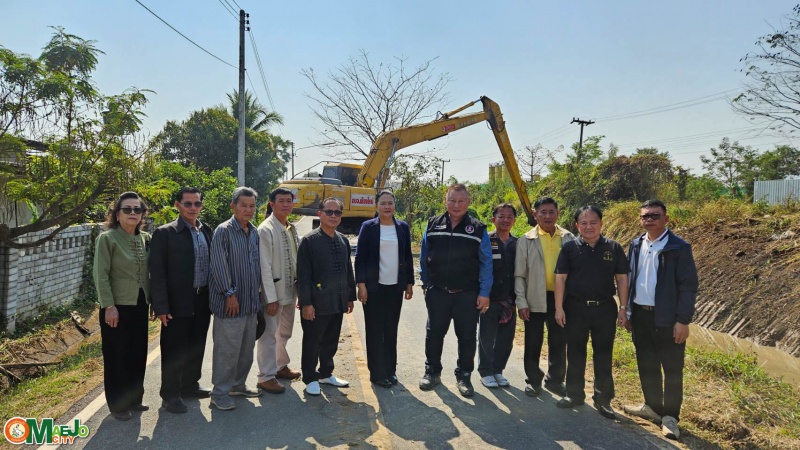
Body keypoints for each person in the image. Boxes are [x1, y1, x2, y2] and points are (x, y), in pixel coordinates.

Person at [623, 200, 698, 440]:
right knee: (647, 364)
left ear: (666, 219)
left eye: (655, 215)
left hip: (668, 318)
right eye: (645, 216)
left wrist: (683, 321)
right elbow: (630, 279)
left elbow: (688, 287)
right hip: (641, 315)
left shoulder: (678, 247)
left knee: (672, 369)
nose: (649, 220)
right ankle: (653, 407)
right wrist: (627, 312)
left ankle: (670, 417)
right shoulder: (636, 244)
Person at [554, 205, 629, 419]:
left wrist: (623, 308)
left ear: (601, 223)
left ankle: (603, 399)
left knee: (603, 354)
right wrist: (559, 308)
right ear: (577, 226)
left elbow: (622, 278)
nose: (589, 227)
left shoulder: (613, 247)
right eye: (584, 223)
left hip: (605, 309)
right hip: (575, 308)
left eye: (593, 222)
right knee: (575, 352)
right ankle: (574, 394)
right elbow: (560, 279)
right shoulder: (569, 248)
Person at [419, 183, 492, 398]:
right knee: (434, 333)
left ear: (469, 202)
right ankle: (432, 372)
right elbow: (424, 255)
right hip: (438, 292)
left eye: (461, 201)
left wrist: (484, 292)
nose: (456, 205)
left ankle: (464, 376)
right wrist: (426, 283)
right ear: (445, 201)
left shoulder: (478, 229)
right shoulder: (433, 225)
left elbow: (486, 262)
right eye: (452, 200)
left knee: (467, 337)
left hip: (467, 294)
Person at [149, 187, 213, 414]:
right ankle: (170, 394)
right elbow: (157, 272)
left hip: (202, 299)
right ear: (177, 205)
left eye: (197, 203)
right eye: (188, 204)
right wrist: (161, 306)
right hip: (177, 303)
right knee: (174, 349)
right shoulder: (165, 233)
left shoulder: (206, 230)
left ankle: (189, 385)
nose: (193, 208)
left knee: (197, 345)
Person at [93, 192, 151, 421]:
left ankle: (135, 398)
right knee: (117, 354)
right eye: (127, 209)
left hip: (140, 303)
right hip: (116, 306)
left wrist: (154, 301)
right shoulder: (107, 239)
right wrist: (108, 306)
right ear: (117, 214)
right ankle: (118, 405)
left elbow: (151, 273)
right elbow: (101, 274)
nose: (133, 213)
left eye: (138, 209)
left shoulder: (145, 238)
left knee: (138, 352)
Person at [208, 187, 263, 411]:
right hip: (230, 302)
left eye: (252, 206)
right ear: (233, 206)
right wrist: (229, 294)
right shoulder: (224, 230)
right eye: (243, 205)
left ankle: (237, 385)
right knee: (227, 351)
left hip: (250, 303)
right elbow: (218, 265)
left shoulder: (254, 231)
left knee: (245, 349)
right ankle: (219, 393)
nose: (248, 210)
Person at [514, 197, 575, 397]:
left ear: (558, 213)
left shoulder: (569, 238)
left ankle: (555, 380)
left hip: (561, 300)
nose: (547, 216)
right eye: (543, 212)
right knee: (533, 341)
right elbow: (519, 275)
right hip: (534, 297)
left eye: (551, 212)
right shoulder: (526, 240)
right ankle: (533, 380)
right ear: (535, 214)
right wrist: (521, 302)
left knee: (559, 341)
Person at [354, 191, 414, 388]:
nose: (387, 207)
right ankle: (377, 373)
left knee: (390, 329)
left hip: (395, 287)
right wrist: (361, 285)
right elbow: (360, 258)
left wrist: (409, 283)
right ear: (376, 206)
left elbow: (407, 256)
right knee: (374, 330)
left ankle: (390, 370)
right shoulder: (368, 227)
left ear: (395, 205)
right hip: (373, 288)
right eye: (383, 203)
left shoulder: (402, 227)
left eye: (390, 203)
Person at [297, 198, 356, 396]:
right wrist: (306, 303)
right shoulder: (309, 241)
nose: (333, 216)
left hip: (337, 300)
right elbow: (303, 275)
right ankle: (310, 377)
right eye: (329, 212)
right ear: (320, 214)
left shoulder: (342, 240)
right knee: (313, 341)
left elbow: (348, 270)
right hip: (316, 303)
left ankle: (325, 373)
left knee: (331, 339)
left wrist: (350, 296)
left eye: (337, 212)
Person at [255, 187, 301, 395]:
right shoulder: (266, 229)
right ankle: (265, 376)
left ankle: (280, 365)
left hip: (290, 289)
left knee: (285, 332)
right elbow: (264, 266)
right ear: (272, 204)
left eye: (289, 201)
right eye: (281, 201)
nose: (286, 205)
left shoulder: (290, 227)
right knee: (269, 334)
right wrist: (270, 297)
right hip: (274, 292)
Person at [478, 203, 518, 389]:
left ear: (514, 221)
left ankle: (498, 370)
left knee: (506, 339)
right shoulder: (486, 240)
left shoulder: (518, 243)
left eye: (509, 217)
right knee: (487, 337)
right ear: (493, 219)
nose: (505, 220)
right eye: (501, 216)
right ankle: (486, 372)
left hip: (510, 299)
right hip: (490, 298)